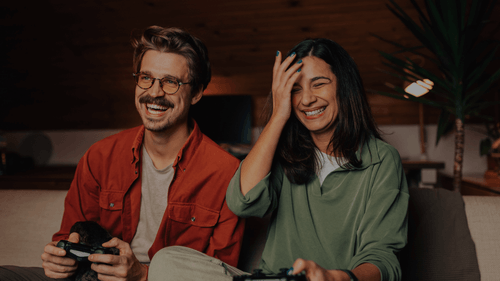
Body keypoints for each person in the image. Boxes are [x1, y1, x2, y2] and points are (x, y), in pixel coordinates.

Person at [0, 26, 244, 281]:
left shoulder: (226, 173)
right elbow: (69, 235)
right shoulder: (99, 156)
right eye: (146, 78)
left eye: (171, 82)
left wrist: (143, 275)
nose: (154, 92)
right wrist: (62, 260)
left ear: (196, 93)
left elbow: (222, 274)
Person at [226, 39, 408, 281]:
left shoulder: (382, 160)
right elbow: (242, 202)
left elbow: (382, 260)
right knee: (171, 259)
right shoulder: (282, 153)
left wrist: (333, 278)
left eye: (318, 84)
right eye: (295, 89)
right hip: (272, 279)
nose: (306, 100)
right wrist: (278, 115)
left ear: (344, 87)